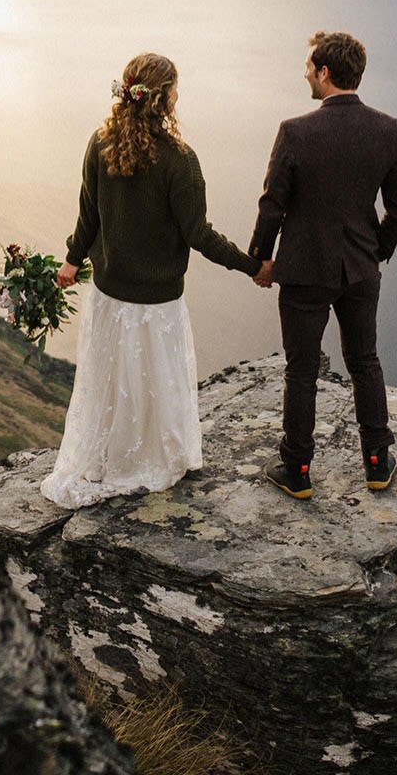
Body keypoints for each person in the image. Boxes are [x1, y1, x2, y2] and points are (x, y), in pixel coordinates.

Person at [42, 52, 264, 508]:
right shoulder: (179, 160)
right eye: (176, 89)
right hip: (157, 303)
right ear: (164, 99)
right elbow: (199, 235)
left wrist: (70, 261)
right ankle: (147, 455)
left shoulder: (99, 144)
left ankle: (103, 456)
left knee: (109, 380)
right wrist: (253, 266)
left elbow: (88, 216)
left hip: (108, 295)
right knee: (151, 382)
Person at [250, 31, 397, 500]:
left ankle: (297, 469)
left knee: (301, 370)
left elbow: (271, 206)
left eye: (308, 67)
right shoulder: (388, 129)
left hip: (304, 270)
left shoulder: (295, 131)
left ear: (324, 72)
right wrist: (375, 250)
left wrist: (262, 259)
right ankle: (378, 465)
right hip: (360, 270)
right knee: (365, 361)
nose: (305, 73)